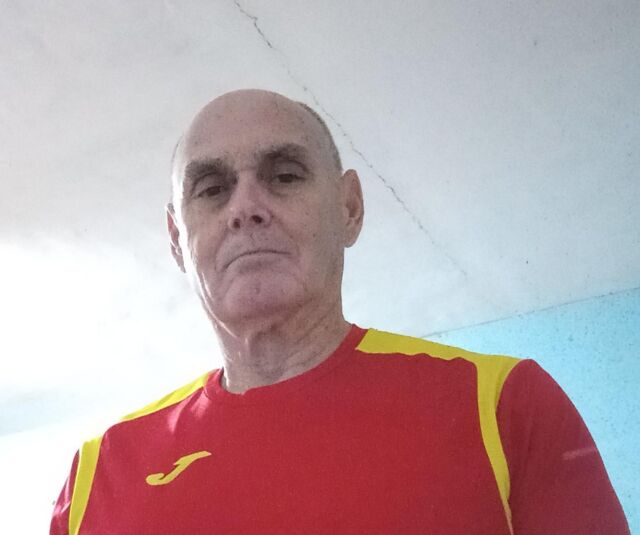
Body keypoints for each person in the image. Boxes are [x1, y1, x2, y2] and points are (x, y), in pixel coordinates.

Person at [50, 89, 629, 534]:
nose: (246, 207)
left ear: (349, 207)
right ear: (178, 238)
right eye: (211, 188)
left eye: (284, 176)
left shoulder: (504, 406)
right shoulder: (96, 476)